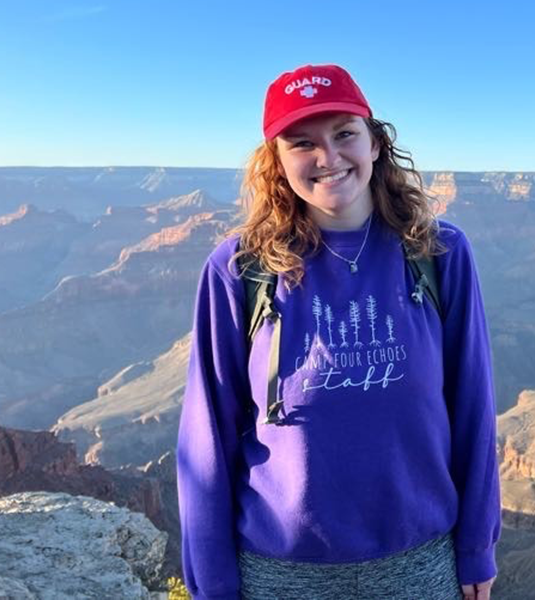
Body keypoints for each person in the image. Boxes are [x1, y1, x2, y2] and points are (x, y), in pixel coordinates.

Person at [176, 64, 501, 599]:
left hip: (417, 567)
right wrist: (212, 586)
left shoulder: (438, 253)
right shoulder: (239, 268)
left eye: (344, 133)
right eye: (302, 142)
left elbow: (472, 408)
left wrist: (476, 549)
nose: (328, 158)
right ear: (277, 164)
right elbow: (205, 436)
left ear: (375, 143)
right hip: (281, 574)